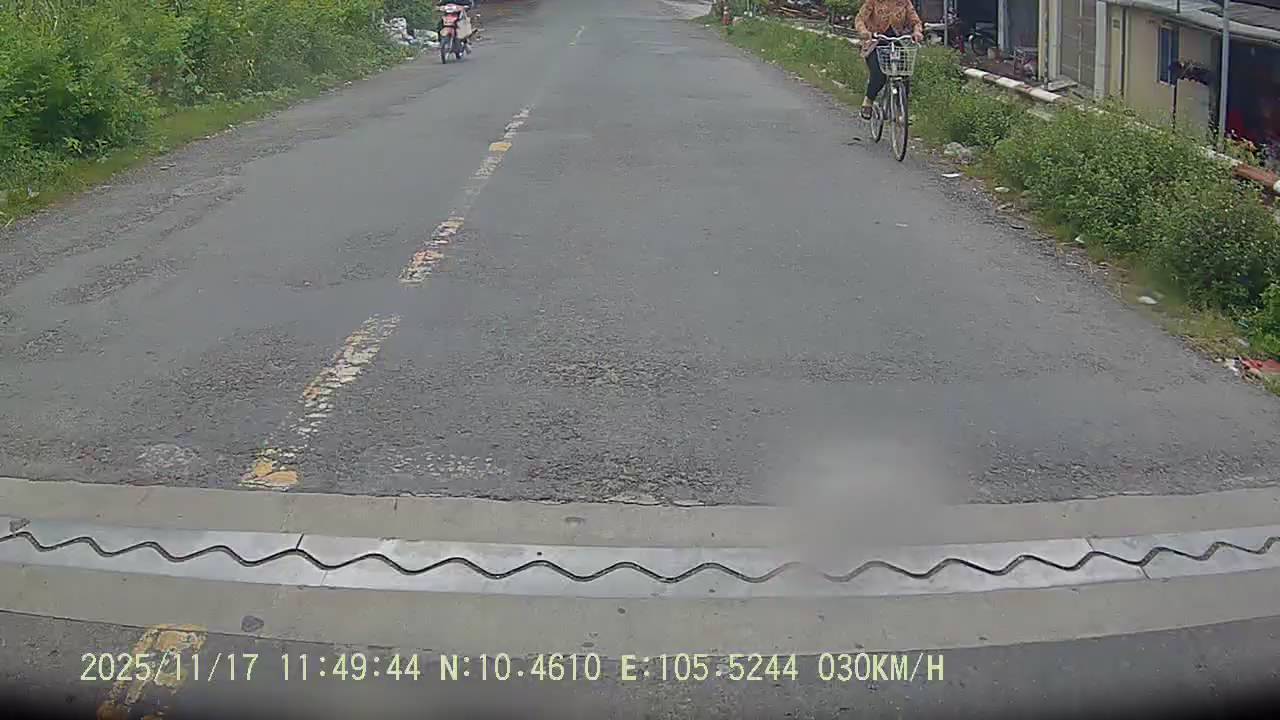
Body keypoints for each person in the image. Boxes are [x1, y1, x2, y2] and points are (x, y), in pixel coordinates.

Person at [854, 0, 925, 120]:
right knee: (879, 74)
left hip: (896, 42)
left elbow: (916, 21)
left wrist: (917, 31)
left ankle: (901, 109)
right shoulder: (873, 2)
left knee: (904, 74)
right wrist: (864, 32)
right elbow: (860, 19)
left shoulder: (904, 2)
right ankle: (868, 100)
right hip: (875, 43)